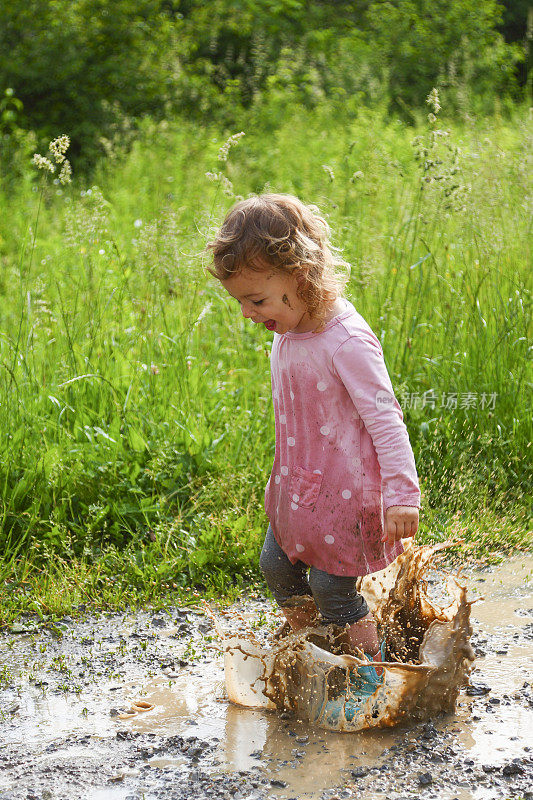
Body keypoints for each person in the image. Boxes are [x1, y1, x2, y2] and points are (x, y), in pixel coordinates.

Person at [207, 193, 420, 714]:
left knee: (330, 583)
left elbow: (385, 418)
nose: (247, 313)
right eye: (240, 301)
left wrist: (401, 493)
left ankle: (374, 673)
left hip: (349, 494)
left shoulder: (345, 341)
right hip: (303, 490)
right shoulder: (288, 333)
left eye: (256, 300)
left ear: (299, 273)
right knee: (275, 565)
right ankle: (315, 646)